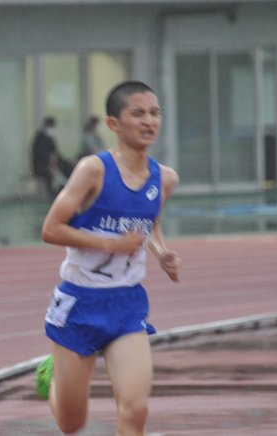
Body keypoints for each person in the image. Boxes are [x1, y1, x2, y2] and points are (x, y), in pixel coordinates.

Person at [41, 81, 181, 435]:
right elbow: (51, 229)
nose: (148, 121)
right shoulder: (94, 170)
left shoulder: (164, 179)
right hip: (80, 301)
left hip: (127, 302)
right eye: (138, 113)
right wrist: (110, 245)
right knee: (73, 423)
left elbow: (149, 222)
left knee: (135, 409)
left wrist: (161, 252)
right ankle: (53, 379)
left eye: (154, 113)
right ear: (114, 124)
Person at [31, 116, 60, 197]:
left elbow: (55, 152)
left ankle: (59, 192)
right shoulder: (40, 137)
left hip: (50, 164)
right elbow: (40, 154)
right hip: (42, 165)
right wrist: (51, 164)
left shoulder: (50, 137)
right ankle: (52, 195)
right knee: (48, 175)